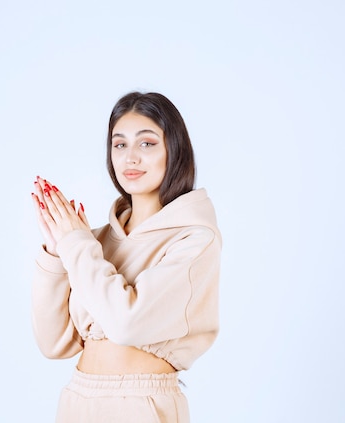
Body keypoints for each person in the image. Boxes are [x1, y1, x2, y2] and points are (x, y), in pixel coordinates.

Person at [30, 91, 222, 423]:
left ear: (173, 151)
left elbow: (127, 324)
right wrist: (57, 252)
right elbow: (54, 344)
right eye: (119, 145)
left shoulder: (194, 238)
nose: (130, 157)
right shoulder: (95, 241)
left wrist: (76, 245)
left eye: (146, 144)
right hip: (77, 400)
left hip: (141, 407)